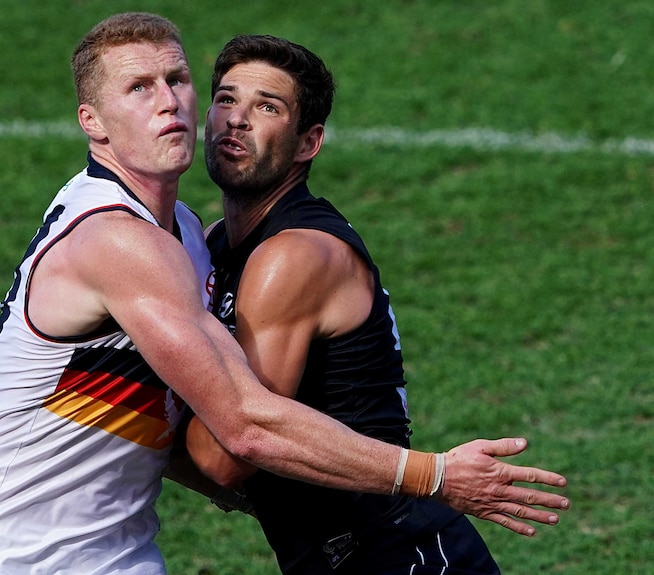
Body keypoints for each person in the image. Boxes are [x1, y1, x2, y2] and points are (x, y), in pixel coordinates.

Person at [0, 14, 568, 575]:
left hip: (111, 553)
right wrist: (433, 475)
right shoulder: (116, 239)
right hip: (9, 555)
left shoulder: (191, 239)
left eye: (177, 80)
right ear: (94, 122)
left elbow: (175, 428)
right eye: (139, 87)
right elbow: (241, 429)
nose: (169, 101)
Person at [183, 35, 562, 574]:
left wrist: (121, 401)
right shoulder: (222, 244)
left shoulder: (293, 256)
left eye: (267, 106)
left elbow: (228, 454)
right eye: (226, 99)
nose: (237, 120)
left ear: (308, 142)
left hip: (394, 555)